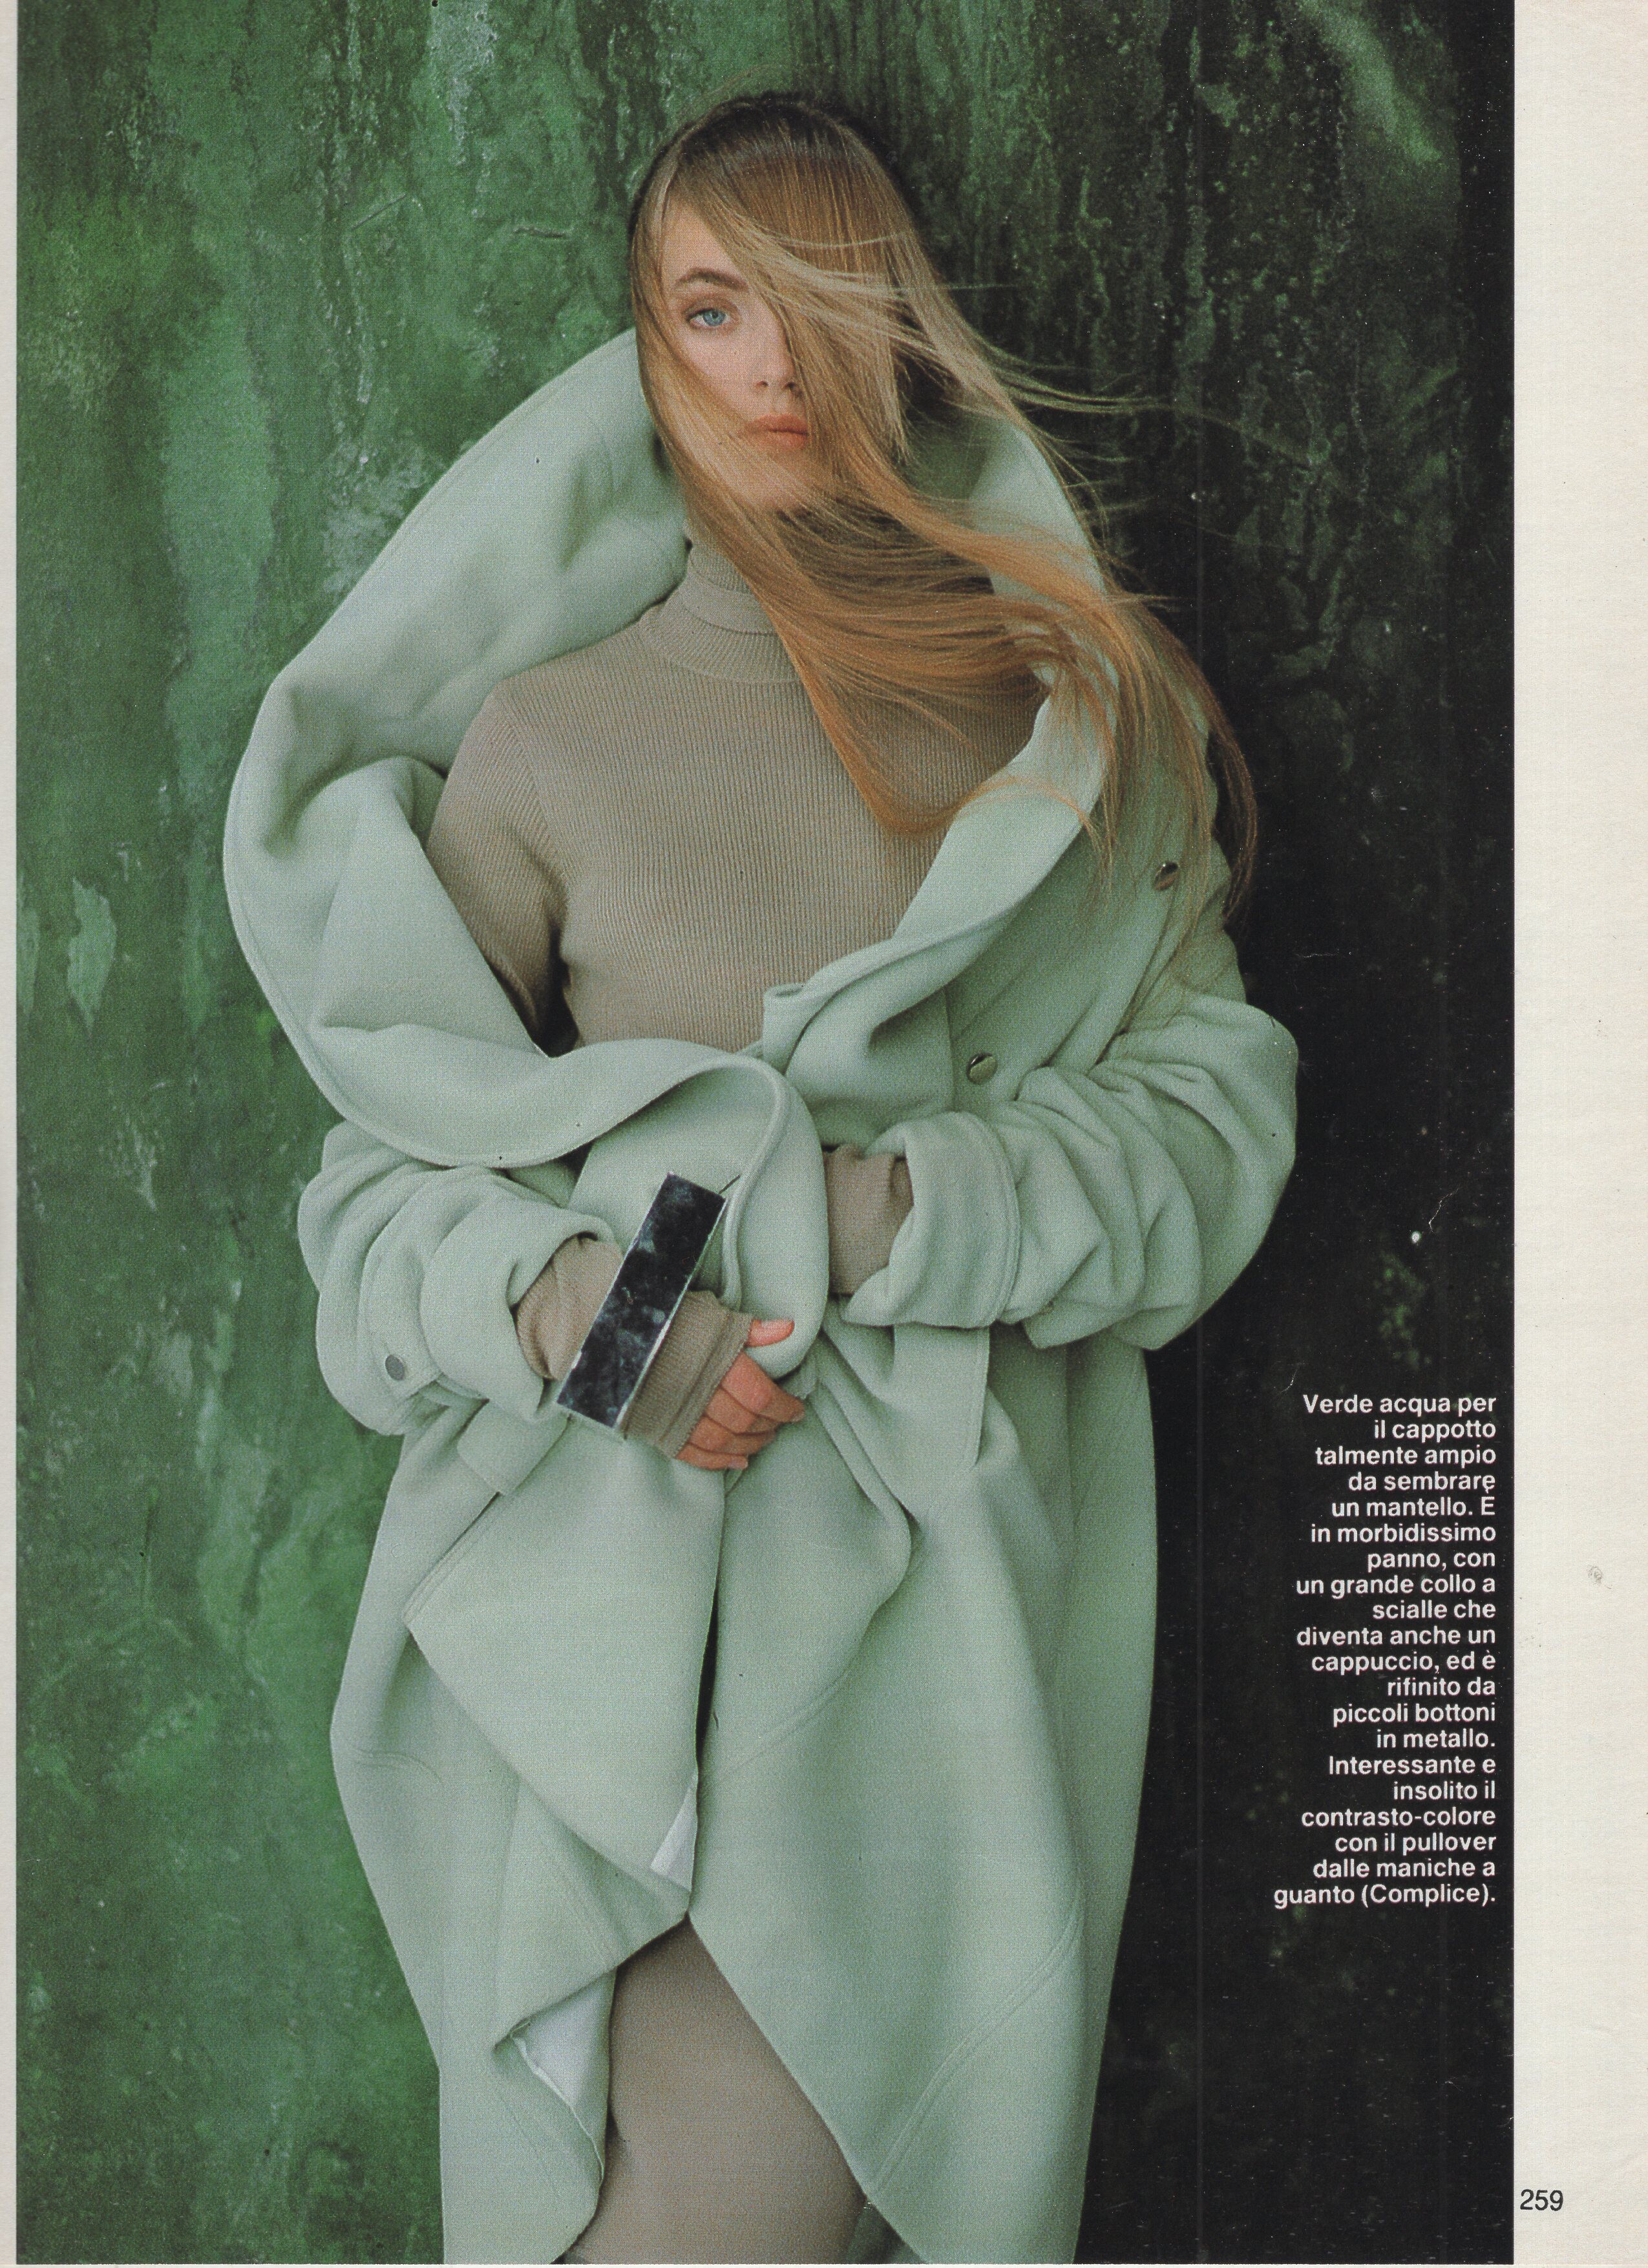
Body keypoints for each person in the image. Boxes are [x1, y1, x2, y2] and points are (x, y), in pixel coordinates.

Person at [224, 87, 1297, 2267]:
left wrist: (895, 1215)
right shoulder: (552, 738)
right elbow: (379, 1204)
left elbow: (1211, 1130)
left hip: (952, 1660)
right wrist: (599, 1324)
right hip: (625, 1648)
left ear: (911, 335)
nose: (774, 365)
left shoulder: (1078, 722)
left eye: (829, 300)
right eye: (715, 308)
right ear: (643, 349)